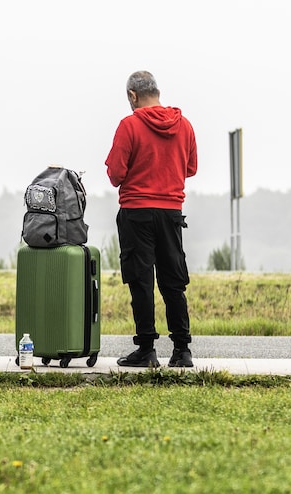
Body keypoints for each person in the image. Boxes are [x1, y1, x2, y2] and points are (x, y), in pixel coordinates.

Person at [105, 70, 198, 368]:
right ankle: (182, 351)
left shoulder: (129, 125)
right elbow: (191, 168)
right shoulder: (184, 126)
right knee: (173, 281)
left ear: (133, 96)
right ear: (157, 91)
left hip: (136, 213)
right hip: (171, 212)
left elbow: (116, 174)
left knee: (141, 281)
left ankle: (146, 350)